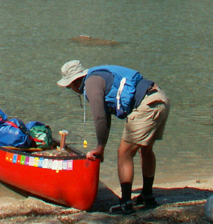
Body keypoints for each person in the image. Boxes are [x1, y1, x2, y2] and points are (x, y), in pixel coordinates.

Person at [57, 60, 170, 215]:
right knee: (146, 149)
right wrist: (101, 146)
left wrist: (99, 148)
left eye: (69, 86)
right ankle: (147, 196)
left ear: (75, 82)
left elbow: (100, 117)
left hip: (147, 105)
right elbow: (106, 115)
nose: (71, 89)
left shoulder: (91, 84)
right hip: (160, 98)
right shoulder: (99, 76)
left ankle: (126, 203)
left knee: (124, 153)